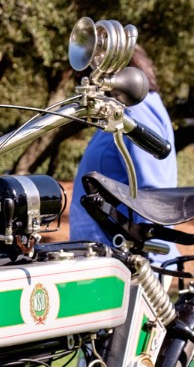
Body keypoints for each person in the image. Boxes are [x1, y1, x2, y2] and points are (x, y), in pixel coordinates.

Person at [68, 46, 179, 252]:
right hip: (103, 260)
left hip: (125, 264)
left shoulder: (136, 109)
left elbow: (152, 192)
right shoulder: (118, 111)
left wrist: (146, 264)